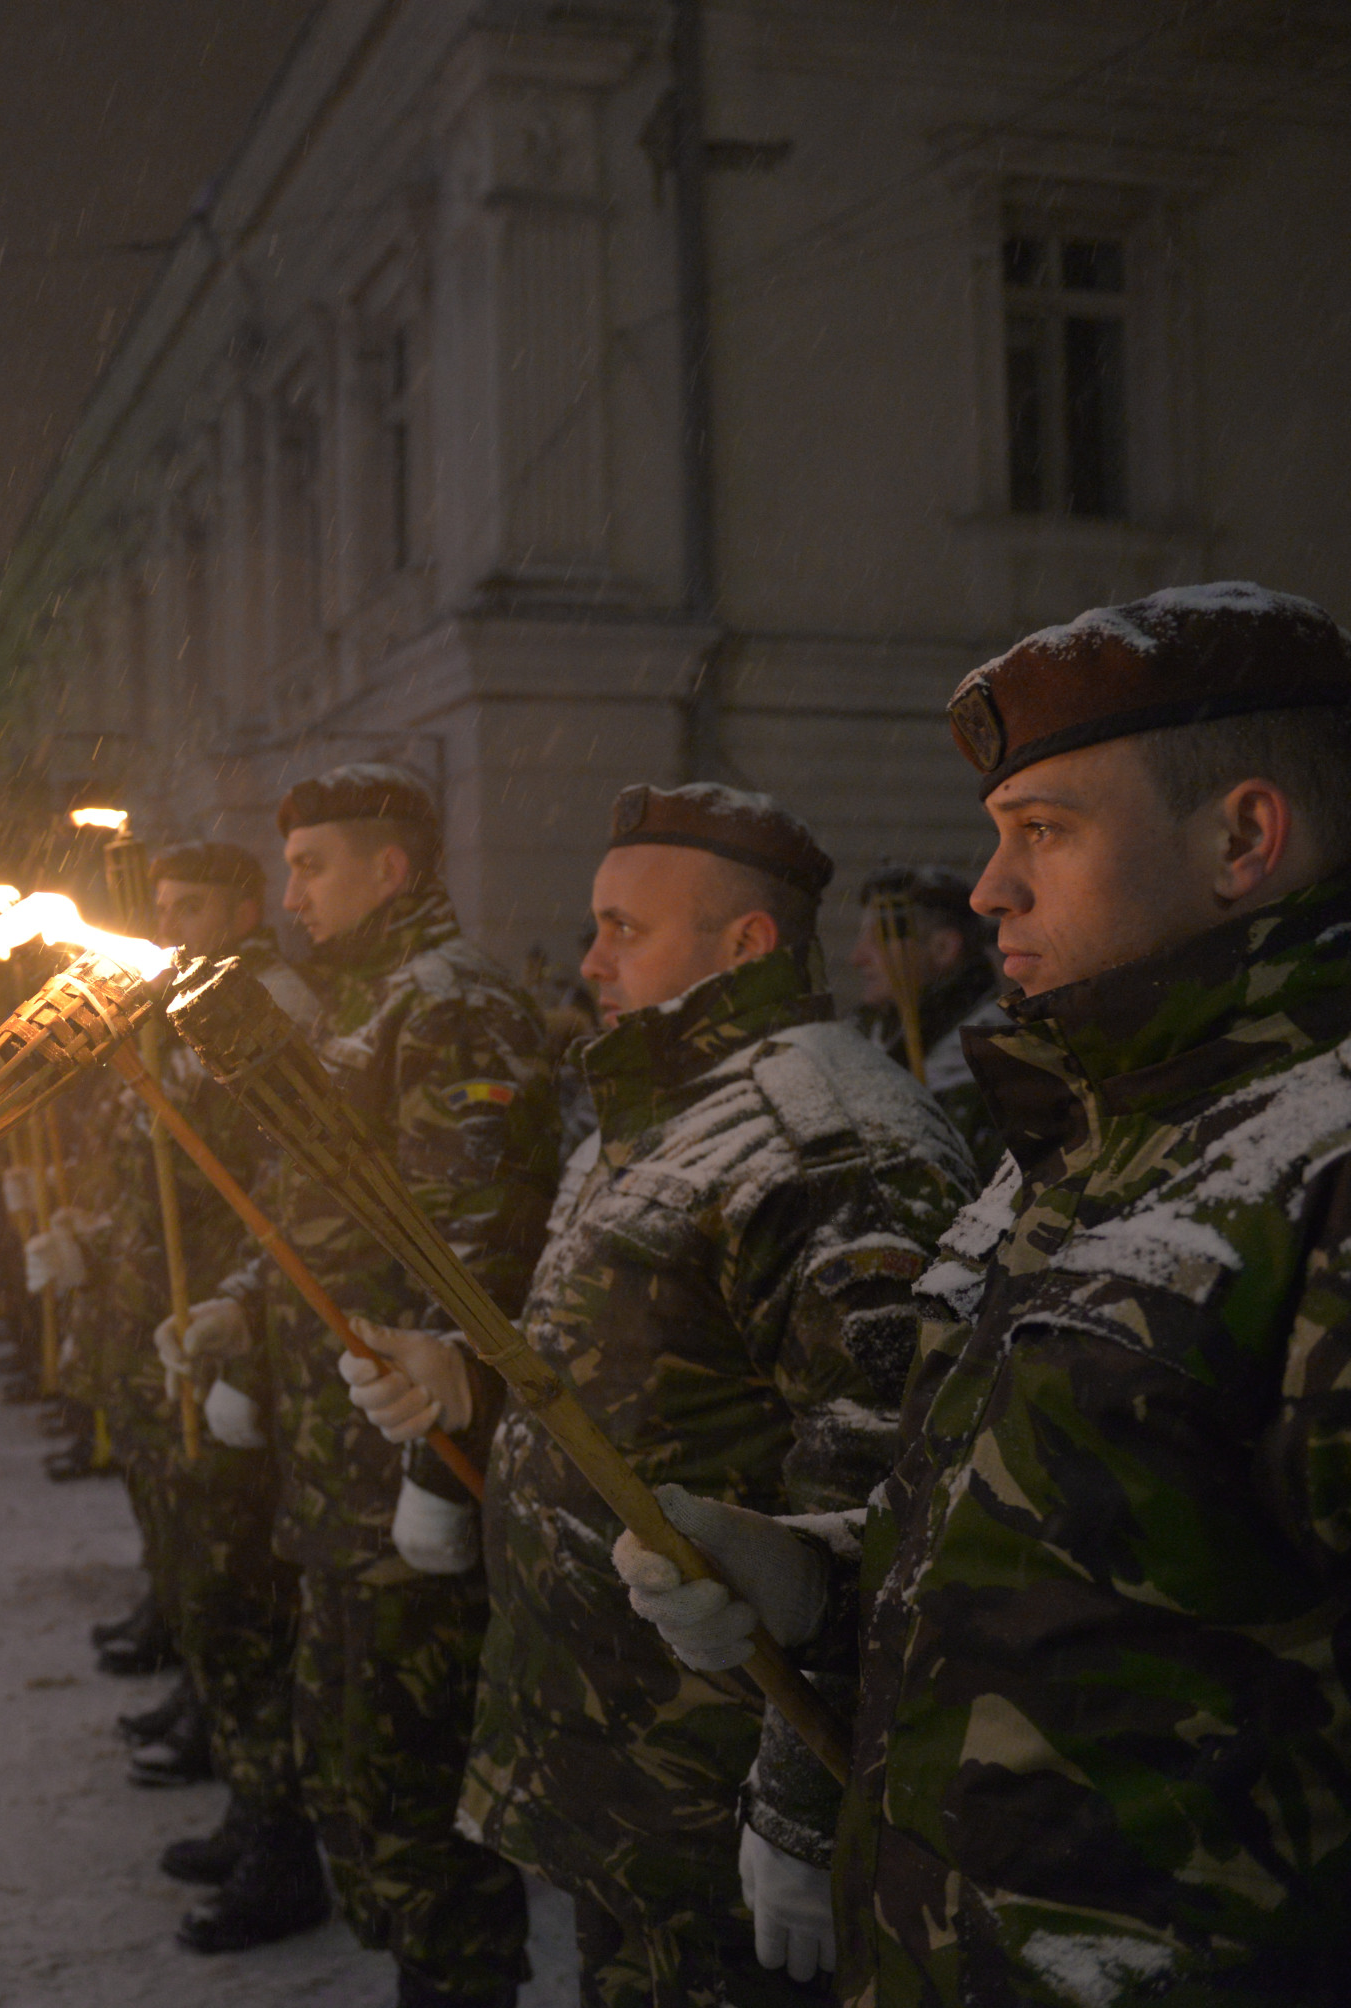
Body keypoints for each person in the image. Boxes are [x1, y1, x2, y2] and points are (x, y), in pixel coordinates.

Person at [608, 584, 1351, 2003]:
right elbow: (1066, 1580)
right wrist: (812, 1581)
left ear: (1243, 840)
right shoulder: (1085, 1144)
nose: (989, 889)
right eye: (997, 834)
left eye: (1047, 833)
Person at [373, 783, 970, 2006]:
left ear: (743, 944)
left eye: (622, 929)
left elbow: (889, 1501)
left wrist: (801, 1812)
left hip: (719, 1791)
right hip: (626, 1766)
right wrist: (471, 1402)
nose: (589, 957)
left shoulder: (824, 1145)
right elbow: (641, 1396)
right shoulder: (655, 1115)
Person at [167, 765, 561, 2008]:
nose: (288, 894)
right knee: (352, 1780)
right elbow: (315, 1210)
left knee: (418, 1807)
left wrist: (433, 1469)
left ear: (391, 869)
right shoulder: (360, 1003)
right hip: (334, 1461)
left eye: (312, 866)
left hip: (407, 1469)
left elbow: (475, 1243)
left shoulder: (451, 1006)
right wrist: (239, 1304)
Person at [32, 839, 328, 1947]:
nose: (173, 922)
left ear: (243, 906)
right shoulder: (169, 999)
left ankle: (278, 1838)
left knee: (237, 1592)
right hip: (158, 1323)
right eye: (161, 905)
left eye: (191, 904)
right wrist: (87, 1237)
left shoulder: (257, 1008)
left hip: (220, 1331)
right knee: (191, 1571)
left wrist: (243, 1335)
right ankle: (235, 1773)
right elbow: (135, 1166)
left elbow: (282, 1184)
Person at [845, 862, 1008, 1174]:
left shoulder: (997, 1066)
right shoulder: (861, 1040)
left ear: (943, 948)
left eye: (880, 937)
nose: (857, 957)